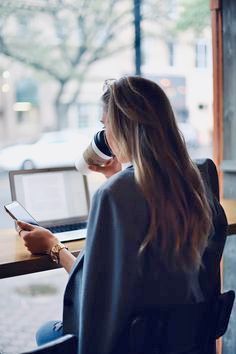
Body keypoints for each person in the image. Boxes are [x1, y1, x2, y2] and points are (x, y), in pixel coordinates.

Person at [16, 76, 227, 354]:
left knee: (46, 332)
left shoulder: (115, 197)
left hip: (127, 344)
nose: (104, 136)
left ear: (121, 127)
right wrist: (117, 178)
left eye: (105, 125)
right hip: (181, 342)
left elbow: (94, 298)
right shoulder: (197, 185)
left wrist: (53, 247)